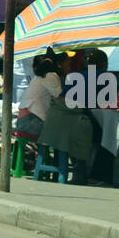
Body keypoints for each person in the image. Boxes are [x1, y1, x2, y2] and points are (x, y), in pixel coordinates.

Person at [40, 52, 93, 184]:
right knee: (85, 130)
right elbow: (62, 100)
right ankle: (81, 171)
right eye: (68, 64)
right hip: (52, 127)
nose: (70, 67)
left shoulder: (59, 78)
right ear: (59, 64)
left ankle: (72, 170)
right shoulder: (54, 77)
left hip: (51, 126)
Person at [16, 56, 62, 138]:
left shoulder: (37, 78)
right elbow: (61, 98)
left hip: (22, 123)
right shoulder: (51, 76)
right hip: (31, 122)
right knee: (63, 131)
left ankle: (43, 151)